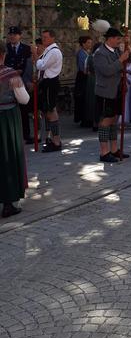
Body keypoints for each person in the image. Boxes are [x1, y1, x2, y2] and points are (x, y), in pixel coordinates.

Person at [93, 27, 131, 162]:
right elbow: (107, 71)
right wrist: (120, 59)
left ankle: (114, 149)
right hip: (105, 91)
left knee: (114, 119)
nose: (119, 41)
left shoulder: (116, 51)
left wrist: (128, 46)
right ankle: (104, 152)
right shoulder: (100, 53)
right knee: (106, 121)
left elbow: (130, 58)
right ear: (110, 38)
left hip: (116, 90)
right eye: (117, 38)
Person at [0, 41, 29, 218]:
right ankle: (8, 204)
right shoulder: (11, 74)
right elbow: (24, 99)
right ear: (3, 54)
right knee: (8, 158)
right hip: (7, 120)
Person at [32, 29, 63, 153]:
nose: (43, 39)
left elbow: (41, 65)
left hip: (51, 83)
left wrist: (34, 54)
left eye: (46, 37)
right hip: (46, 83)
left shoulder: (54, 52)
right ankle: (52, 138)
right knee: (48, 110)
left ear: (52, 38)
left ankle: (56, 140)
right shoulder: (48, 51)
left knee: (51, 110)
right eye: (42, 37)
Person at [5, 26, 33, 144]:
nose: (12, 36)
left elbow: (29, 66)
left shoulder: (26, 49)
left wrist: (27, 80)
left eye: (15, 34)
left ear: (20, 35)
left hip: (22, 80)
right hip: (8, 81)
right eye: (10, 34)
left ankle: (26, 134)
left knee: (24, 109)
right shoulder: (5, 48)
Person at [73, 36, 92, 127]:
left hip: (85, 76)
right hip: (82, 77)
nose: (90, 44)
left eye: (90, 42)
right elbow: (82, 68)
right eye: (88, 42)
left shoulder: (87, 52)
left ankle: (86, 117)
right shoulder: (81, 53)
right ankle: (84, 119)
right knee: (83, 98)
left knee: (86, 98)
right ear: (83, 44)